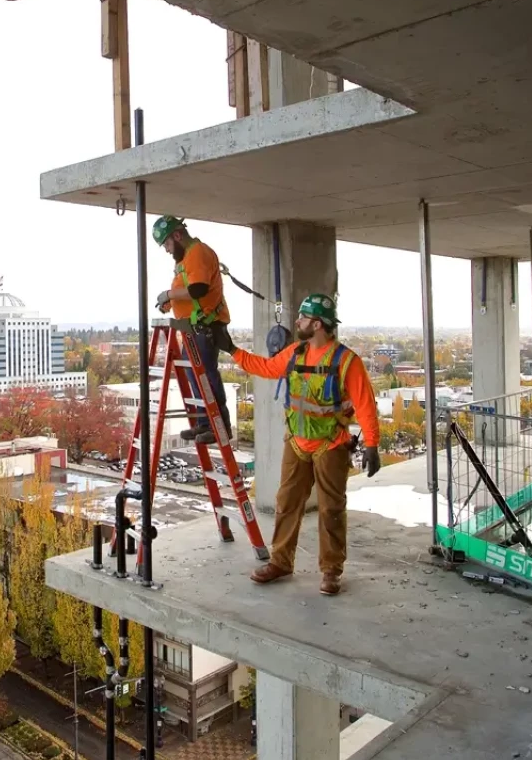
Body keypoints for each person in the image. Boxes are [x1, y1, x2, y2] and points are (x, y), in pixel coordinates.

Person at [221, 293, 380, 596]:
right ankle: (281, 562)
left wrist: (372, 445)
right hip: (296, 441)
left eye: (303, 318)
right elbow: (266, 368)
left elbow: (366, 404)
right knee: (287, 504)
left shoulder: (347, 362)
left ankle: (331, 571)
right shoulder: (296, 353)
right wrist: (232, 350)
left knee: (331, 509)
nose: (297, 322)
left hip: (331, 444)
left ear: (317, 324)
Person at [152, 215, 233, 444]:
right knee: (194, 374)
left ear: (177, 236)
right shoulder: (185, 258)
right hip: (195, 326)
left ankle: (221, 427)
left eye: (167, 244)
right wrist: (171, 302)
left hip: (206, 325)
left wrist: (169, 295)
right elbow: (186, 288)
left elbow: (198, 289)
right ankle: (205, 423)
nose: (167, 250)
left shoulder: (197, 253)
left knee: (206, 375)